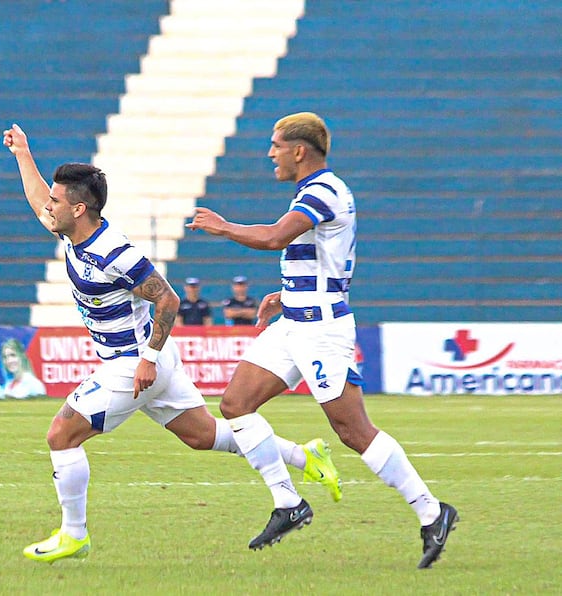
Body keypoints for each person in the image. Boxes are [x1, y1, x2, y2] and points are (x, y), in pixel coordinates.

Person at [2, 123, 342, 564]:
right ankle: (305, 456)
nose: (49, 208)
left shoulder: (112, 251)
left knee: (61, 435)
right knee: (203, 436)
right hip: (149, 361)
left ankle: (74, 534)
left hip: (133, 363)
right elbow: (38, 202)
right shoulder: (72, 232)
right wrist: (22, 153)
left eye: (57, 201)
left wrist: (146, 359)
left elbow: (168, 297)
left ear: (80, 208)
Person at [187, 112, 457, 569]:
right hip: (294, 321)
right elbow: (316, 256)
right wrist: (285, 293)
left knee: (353, 431)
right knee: (235, 404)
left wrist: (223, 226)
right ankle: (288, 502)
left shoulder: (323, 191)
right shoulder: (311, 192)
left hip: (322, 331)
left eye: (276, 145)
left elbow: (275, 237)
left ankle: (432, 511)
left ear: (299, 150)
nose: (270, 153)